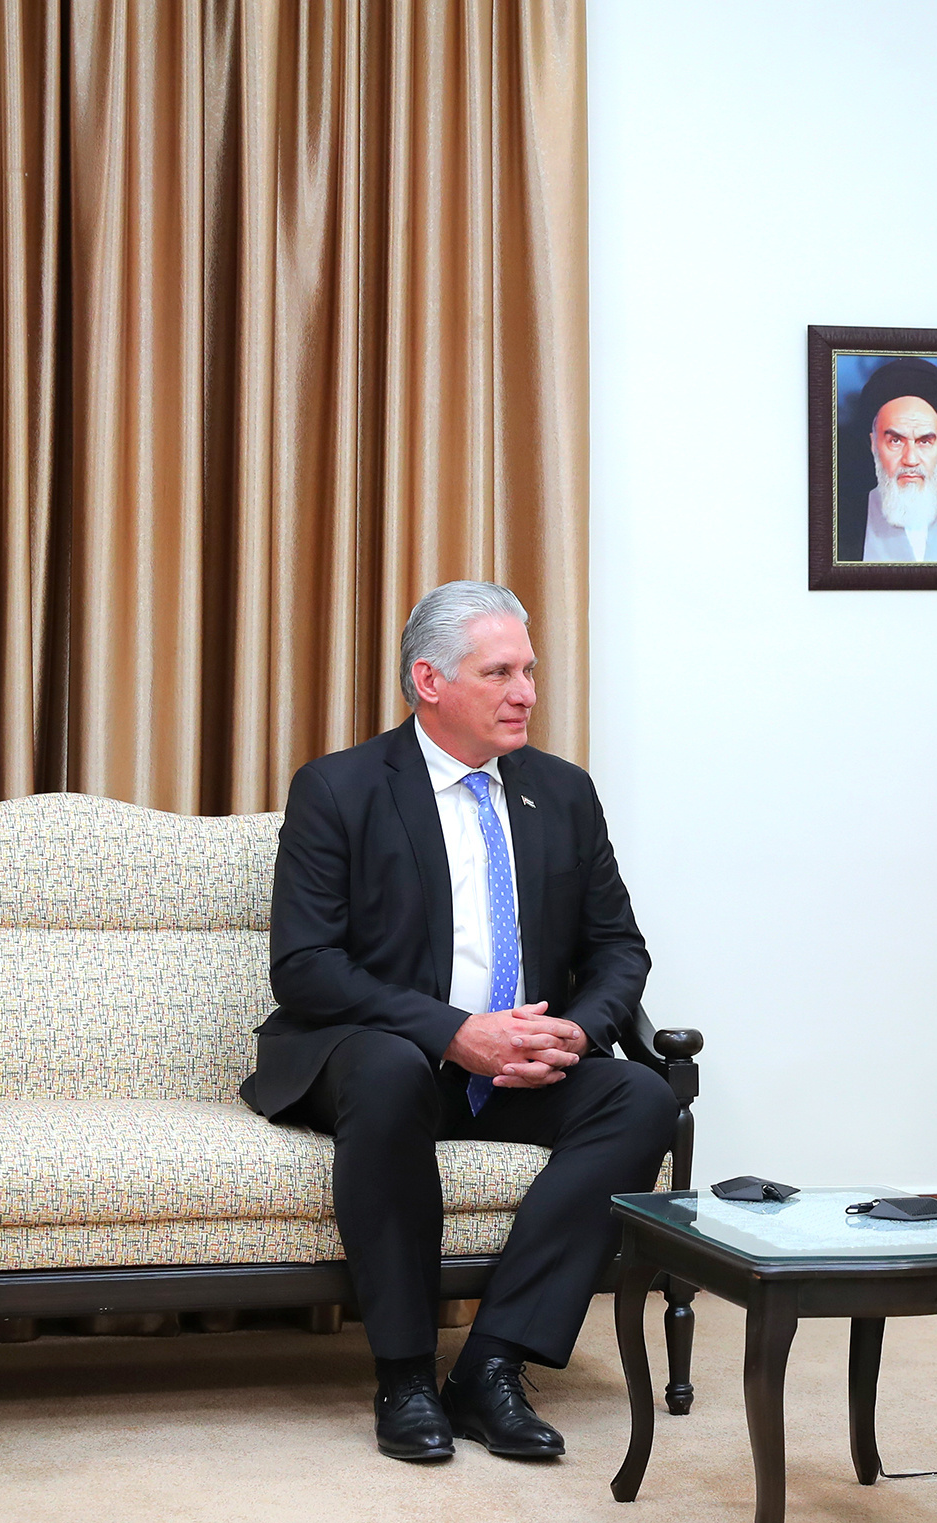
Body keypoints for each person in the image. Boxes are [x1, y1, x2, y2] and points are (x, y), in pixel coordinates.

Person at [242, 580, 676, 1464]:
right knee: (394, 1070)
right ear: (428, 681)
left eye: (529, 670)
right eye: (500, 672)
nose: (524, 691)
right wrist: (452, 1031)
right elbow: (306, 966)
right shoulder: (340, 787)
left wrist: (578, 1033)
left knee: (637, 1094)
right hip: (380, 1059)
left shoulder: (561, 792)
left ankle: (491, 1363)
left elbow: (618, 948)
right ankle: (403, 1374)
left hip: (516, 1064)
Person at [843, 355, 937, 563]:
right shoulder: (837, 524)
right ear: (874, 443)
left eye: (924, 441)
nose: (910, 460)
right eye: (895, 441)